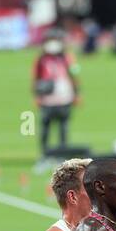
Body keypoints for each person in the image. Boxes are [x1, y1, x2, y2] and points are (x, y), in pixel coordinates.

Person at [33, 29, 79, 158]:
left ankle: (62, 156)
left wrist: (77, 93)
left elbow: (74, 75)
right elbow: (35, 78)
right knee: (45, 129)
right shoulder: (41, 59)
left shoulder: (67, 58)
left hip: (64, 97)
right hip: (47, 98)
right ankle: (45, 155)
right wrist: (36, 96)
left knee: (63, 128)